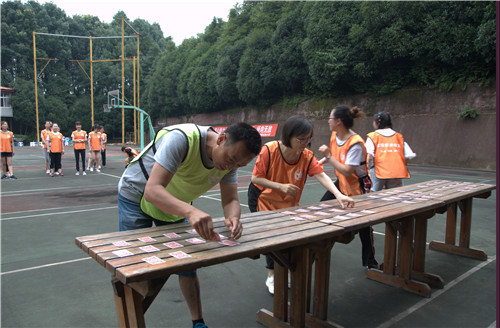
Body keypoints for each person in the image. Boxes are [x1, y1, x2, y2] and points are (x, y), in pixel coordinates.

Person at [117, 122, 262, 328]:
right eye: (231, 160)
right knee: (133, 268)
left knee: (187, 262)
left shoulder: (231, 160)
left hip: (173, 200)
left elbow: (230, 200)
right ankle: (130, 322)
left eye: (239, 165)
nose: (232, 167)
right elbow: (153, 190)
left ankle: (198, 322)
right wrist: (191, 211)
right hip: (137, 192)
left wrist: (234, 217)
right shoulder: (182, 139)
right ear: (220, 139)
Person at [248, 115, 354, 295]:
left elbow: (321, 174)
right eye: (301, 139)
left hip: (287, 202)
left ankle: (286, 272)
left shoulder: (306, 156)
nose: (305, 143)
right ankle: (272, 275)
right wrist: (280, 186)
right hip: (262, 198)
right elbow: (255, 178)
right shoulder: (270, 150)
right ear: (288, 136)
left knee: (289, 238)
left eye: (308, 138)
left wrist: (338, 195)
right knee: (272, 238)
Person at [318, 105, 378, 269]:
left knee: (366, 225)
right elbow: (333, 156)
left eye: (330, 118)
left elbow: (346, 170)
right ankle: (319, 247)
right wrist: (318, 164)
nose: (328, 121)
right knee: (321, 208)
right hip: (342, 183)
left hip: (358, 185)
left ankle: (370, 260)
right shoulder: (335, 135)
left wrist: (328, 157)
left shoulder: (356, 143)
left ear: (338, 121)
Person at [366, 112, 416, 191]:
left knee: (373, 194)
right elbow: (408, 155)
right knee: (395, 194)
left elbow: (369, 155)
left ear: (377, 123)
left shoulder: (373, 136)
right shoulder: (398, 136)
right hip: (396, 172)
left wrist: (366, 170)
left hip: (379, 171)